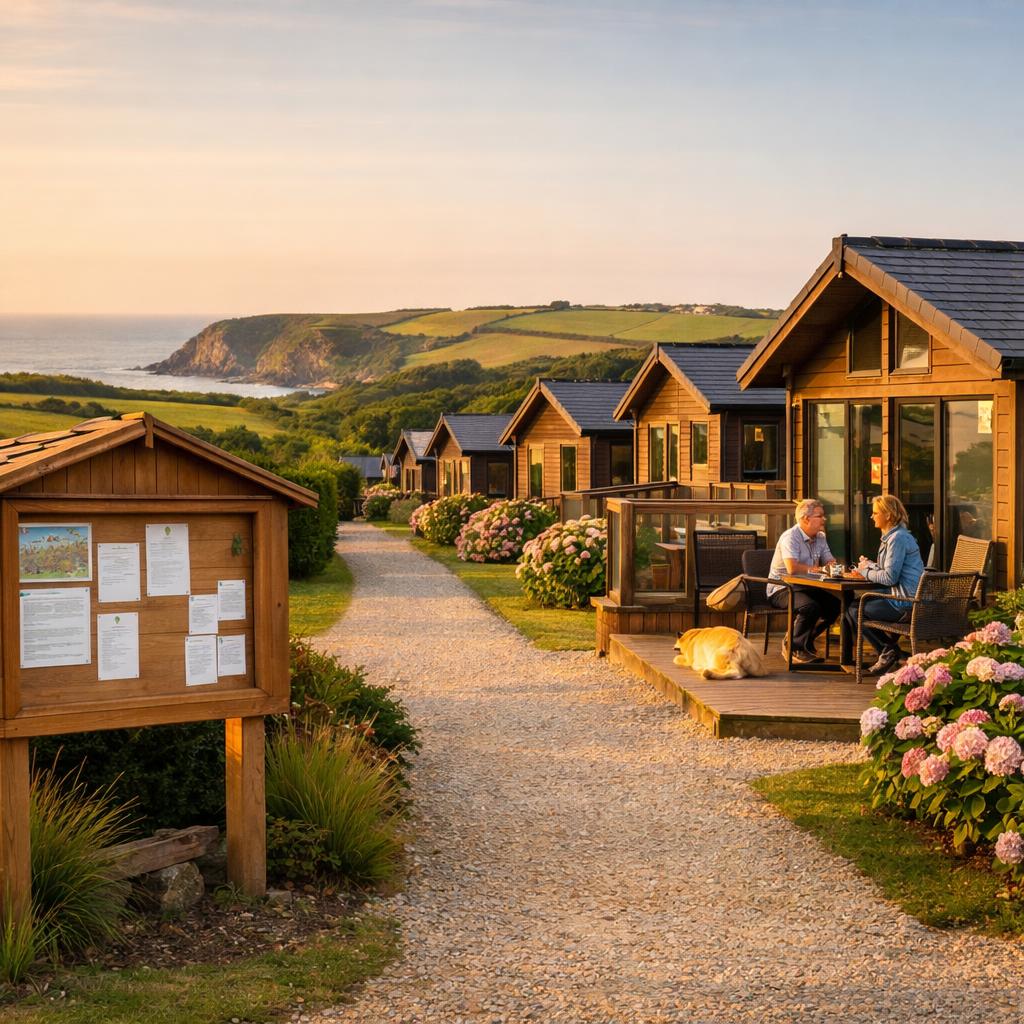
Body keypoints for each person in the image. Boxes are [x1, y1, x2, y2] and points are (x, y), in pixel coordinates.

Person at [843, 494, 925, 675]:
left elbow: (889, 578)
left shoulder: (897, 539)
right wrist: (870, 565)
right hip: (900, 598)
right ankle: (889, 651)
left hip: (905, 602)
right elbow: (889, 569)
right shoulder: (893, 537)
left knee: (854, 610)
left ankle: (887, 651)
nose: (872, 517)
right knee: (853, 607)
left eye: (875, 513)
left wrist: (864, 572)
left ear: (888, 515)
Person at [767, 498, 839, 665]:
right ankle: (796, 649)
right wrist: (817, 569)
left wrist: (832, 566)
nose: (824, 519)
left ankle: (798, 639)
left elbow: (829, 560)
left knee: (838, 604)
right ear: (806, 519)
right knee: (810, 607)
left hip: (808, 587)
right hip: (782, 588)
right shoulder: (790, 537)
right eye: (820, 516)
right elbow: (792, 567)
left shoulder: (821, 537)